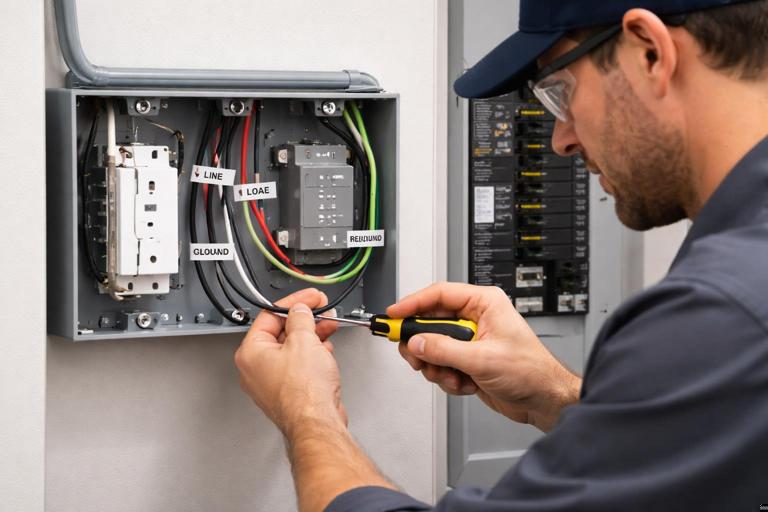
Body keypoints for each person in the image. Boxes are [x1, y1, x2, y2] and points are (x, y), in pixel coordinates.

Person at [234, 0, 768, 509]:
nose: (560, 139)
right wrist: (553, 397)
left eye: (559, 91)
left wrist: (309, 416)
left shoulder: (723, 311)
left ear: (650, 50)